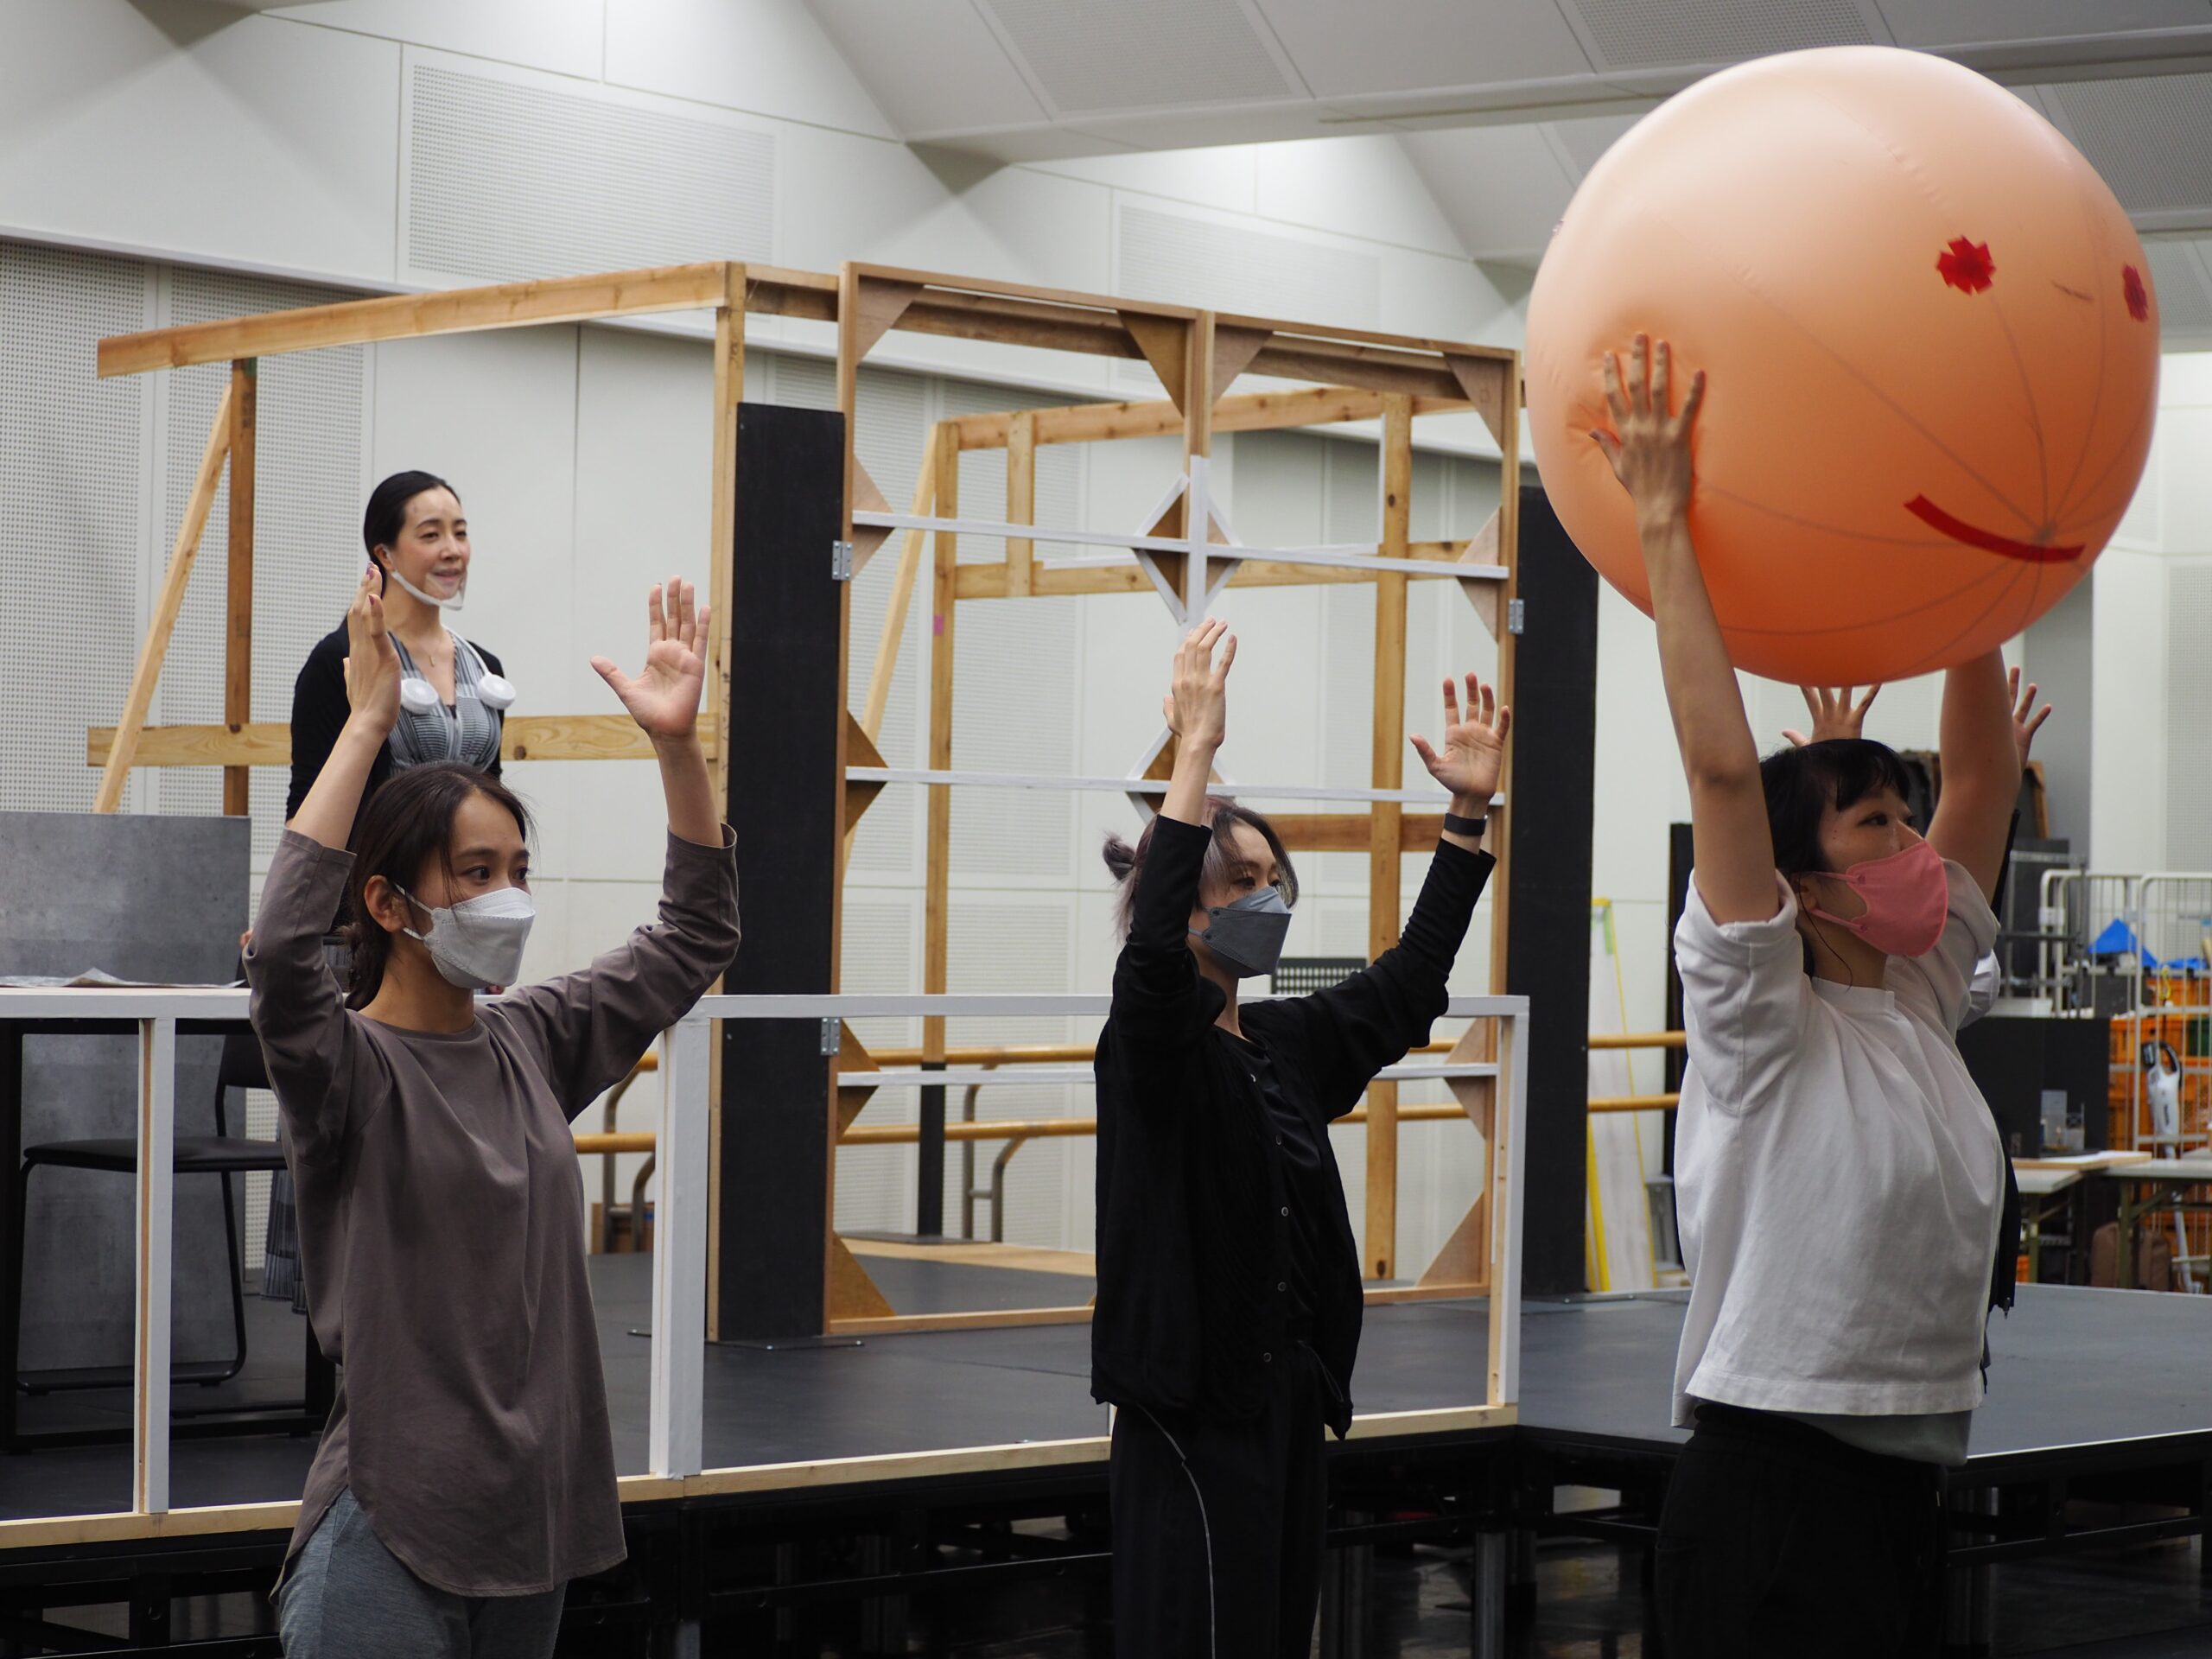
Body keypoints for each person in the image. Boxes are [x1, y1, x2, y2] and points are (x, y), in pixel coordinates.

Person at [1592, 335, 2019, 1656]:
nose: (1912, 850)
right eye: (1876, 831)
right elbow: (1726, 779)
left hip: (1907, 1486)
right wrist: (1663, 518)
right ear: (1803, 886)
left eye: (1905, 820)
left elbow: (1984, 782)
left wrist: (1989, 573)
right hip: (1773, 1489)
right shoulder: (1762, 1020)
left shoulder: (1919, 989)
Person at [249, 567, 738, 1658]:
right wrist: (368, 720)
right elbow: (283, 953)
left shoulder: (532, 1040)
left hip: (533, 1527)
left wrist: (674, 746)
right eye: (475, 872)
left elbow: (697, 934)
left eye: (519, 869)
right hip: (392, 1527)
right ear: (388, 902)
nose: (507, 896)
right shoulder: (350, 1070)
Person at [1092, 616, 1509, 1657]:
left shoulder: (1282, 1043)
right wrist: (1194, 752)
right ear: (1175, 905)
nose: (1265, 896)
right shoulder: (1152, 1046)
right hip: (1192, 1415)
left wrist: (1465, 815)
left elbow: (1407, 986)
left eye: (1273, 879)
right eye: (1236, 882)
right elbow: (1150, 971)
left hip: (1282, 1401)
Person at [287, 472, 513, 850]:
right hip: (374, 887)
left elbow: (493, 790)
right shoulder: (339, 660)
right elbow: (308, 805)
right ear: (384, 554)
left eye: (460, 533)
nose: (452, 550)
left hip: (471, 882)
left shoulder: (485, 666)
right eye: (430, 535)